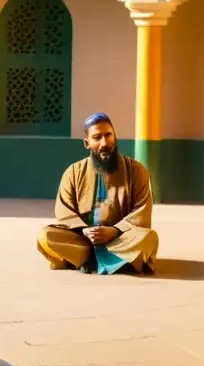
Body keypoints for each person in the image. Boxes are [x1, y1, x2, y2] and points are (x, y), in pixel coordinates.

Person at [37, 113, 158, 274]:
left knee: (148, 238)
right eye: (97, 137)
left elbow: (141, 211)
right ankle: (102, 258)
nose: (105, 143)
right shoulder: (73, 172)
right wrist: (84, 230)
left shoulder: (136, 170)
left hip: (120, 239)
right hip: (83, 240)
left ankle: (88, 260)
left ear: (115, 137)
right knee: (45, 237)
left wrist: (114, 230)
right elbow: (64, 211)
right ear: (87, 143)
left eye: (108, 135)